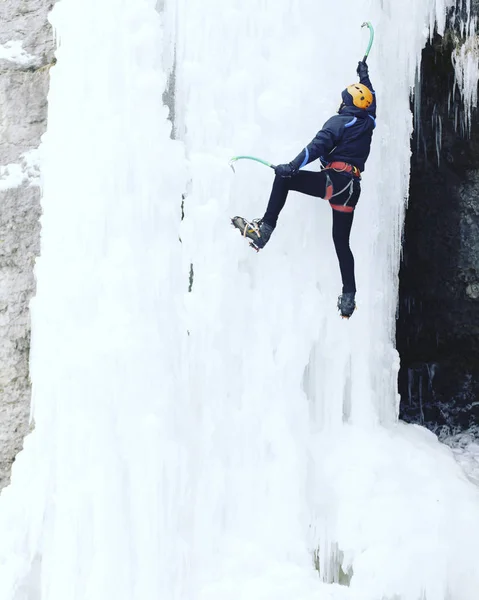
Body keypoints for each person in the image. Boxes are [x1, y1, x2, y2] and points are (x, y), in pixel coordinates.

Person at [233, 60, 376, 318]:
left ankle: (264, 230)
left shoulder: (340, 121)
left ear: (347, 104)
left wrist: (292, 165)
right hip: (352, 189)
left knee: (284, 180)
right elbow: (371, 100)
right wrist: (364, 77)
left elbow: (317, 146)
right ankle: (348, 297)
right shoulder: (368, 121)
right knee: (342, 243)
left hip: (336, 183)